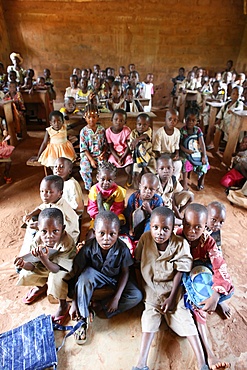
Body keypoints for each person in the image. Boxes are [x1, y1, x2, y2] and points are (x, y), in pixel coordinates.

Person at [132, 206, 209, 370]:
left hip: (174, 292)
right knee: (148, 321)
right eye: (155, 227)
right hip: (151, 292)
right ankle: (141, 363)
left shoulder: (180, 244)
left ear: (173, 229)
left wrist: (172, 297)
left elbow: (180, 272)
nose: (160, 232)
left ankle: (202, 363)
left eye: (165, 228)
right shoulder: (145, 239)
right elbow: (137, 264)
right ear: (150, 226)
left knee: (186, 322)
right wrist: (143, 289)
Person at [66, 211, 142, 344]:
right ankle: (82, 319)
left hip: (114, 279)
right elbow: (77, 274)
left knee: (137, 295)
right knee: (86, 275)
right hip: (94, 277)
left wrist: (116, 298)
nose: (106, 238)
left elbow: (125, 272)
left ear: (118, 233)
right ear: (94, 232)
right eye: (101, 233)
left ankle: (99, 307)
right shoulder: (88, 248)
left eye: (112, 234)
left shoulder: (122, 248)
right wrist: (74, 302)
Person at [178, 203, 233, 370]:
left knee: (221, 285)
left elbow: (220, 267)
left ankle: (219, 300)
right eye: (188, 225)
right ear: (183, 222)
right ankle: (209, 354)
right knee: (198, 307)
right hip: (185, 275)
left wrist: (216, 296)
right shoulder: (177, 236)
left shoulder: (209, 242)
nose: (192, 231)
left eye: (198, 227)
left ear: (205, 226)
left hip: (202, 271)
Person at [14, 208, 76, 325]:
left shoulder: (67, 243)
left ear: (63, 229)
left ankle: (63, 305)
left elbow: (57, 269)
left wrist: (44, 258)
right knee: (26, 272)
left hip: (61, 269)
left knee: (56, 279)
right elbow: (33, 266)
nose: (49, 236)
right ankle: (40, 286)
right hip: (45, 265)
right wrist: (24, 264)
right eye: (44, 231)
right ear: (38, 229)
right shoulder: (38, 239)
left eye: (55, 231)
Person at [20, 175, 79, 256]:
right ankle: (28, 254)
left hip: (67, 237)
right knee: (35, 225)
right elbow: (42, 206)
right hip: (56, 231)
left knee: (38, 237)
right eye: (42, 191)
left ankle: (29, 257)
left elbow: (58, 229)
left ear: (60, 193)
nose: (44, 195)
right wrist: (30, 214)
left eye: (49, 192)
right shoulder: (53, 200)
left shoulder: (60, 210)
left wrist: (39, 226)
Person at [87, 161, 126, 230]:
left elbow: (118, 208)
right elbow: (92, 208)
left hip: (113, 214)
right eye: (102, 179)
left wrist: (110, 218)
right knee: (94, 227)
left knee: (121, 220)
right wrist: (100, 217)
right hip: (98, 215)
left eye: (109, 180)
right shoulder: (94, 190)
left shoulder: (118, 191)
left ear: (114, 179)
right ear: (97, 177)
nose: (106, 183)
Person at [125, 173, 163, 239]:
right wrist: (131, 228)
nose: (148, 191)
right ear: (140, 186)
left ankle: (145, 238)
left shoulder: (158, 200)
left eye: (151, 189)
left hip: (149, 225)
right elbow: (128, 214)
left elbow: (159, 217)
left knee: (151, 222)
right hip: (134, 224)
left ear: (156, 190)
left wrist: (149, 210)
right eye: (145, 188)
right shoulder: (133, 197)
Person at [156, 155, 193, 222]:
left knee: (190, 196)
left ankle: (177, 213)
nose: (165, 171)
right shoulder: (153, 181)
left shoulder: (173, 180)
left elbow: (177, 193)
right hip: (156, 208)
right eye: (162, 168)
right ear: (157, 170)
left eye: (168, 168)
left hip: (168, 206)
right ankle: (174, 215)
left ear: (173, 170)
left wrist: (177, 211)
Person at [180, 106, 209, 191]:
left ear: (197, 121)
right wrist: (186, 150)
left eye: (193, 120)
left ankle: (201, 180)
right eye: (188, 120)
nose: (190, 122)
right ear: (185, 119)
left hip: (196, 152)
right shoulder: (183, 130)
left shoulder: (198, 130)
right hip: (185, 152)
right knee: (185, 162)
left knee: (205, 163)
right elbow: (180, 145)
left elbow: (202, 144)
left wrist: (203, 155)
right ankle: (185, 183)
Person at [79, 104, 107, 190]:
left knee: (104, 168)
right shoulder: (83, 131)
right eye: (89, 117)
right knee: (84, 168)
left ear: (97, 117)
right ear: (85, 117)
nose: (91, 119)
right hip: (87, 156)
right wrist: (91, 160)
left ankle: (101, 185)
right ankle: (89, 186)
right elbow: (83, 148)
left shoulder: (101, 130)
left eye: (94, 117)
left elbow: (105, 144)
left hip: (99, 154)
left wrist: (103, 153)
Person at [106, 109, 133, 187]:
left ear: (125, 122)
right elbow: (111, 147)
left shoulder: (126, 130)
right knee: (110, 167)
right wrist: (118, 158)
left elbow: (128, 146)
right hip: (114, 153)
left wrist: (122, 157)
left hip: (125, 152)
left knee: (129, 168)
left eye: (121, 120)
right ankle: (112, 181)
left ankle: (130, 178)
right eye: (116, 119)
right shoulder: (108, 132)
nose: (118, 122)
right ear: (111, 120)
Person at [153, 108, 182, 180]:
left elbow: (176, 147)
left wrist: (177, 155)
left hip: (171, 155)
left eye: (175, 120)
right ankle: (160, 180)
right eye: (170, 119)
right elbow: (157, 151)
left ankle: (173, 180)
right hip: (161, 155)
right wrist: (165, 161)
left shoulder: (177, 132)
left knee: (178, 164)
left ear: (177, 121)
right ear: (165, 120)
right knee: (157, 165)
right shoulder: (160, 133)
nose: (172, 122)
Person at [129, 113, 156, 188]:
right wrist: (135, 143)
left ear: (148, 125)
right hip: (137, 158)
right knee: (136, 172)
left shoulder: (149, 131)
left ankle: (151, 184)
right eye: (139, 124)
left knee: (152, 170)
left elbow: (146, 136)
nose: (141, 127)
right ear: (136, 124)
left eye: (144, 125)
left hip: (149, 156)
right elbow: (131, 146)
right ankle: (137, 186)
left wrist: (137, 140)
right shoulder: (133, 133)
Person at [0, 118, 15, 184]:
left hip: (1, 147)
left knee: (8, 161)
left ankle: (6, 174)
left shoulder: (0, 120)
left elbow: (4, 130)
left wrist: (5, 132)